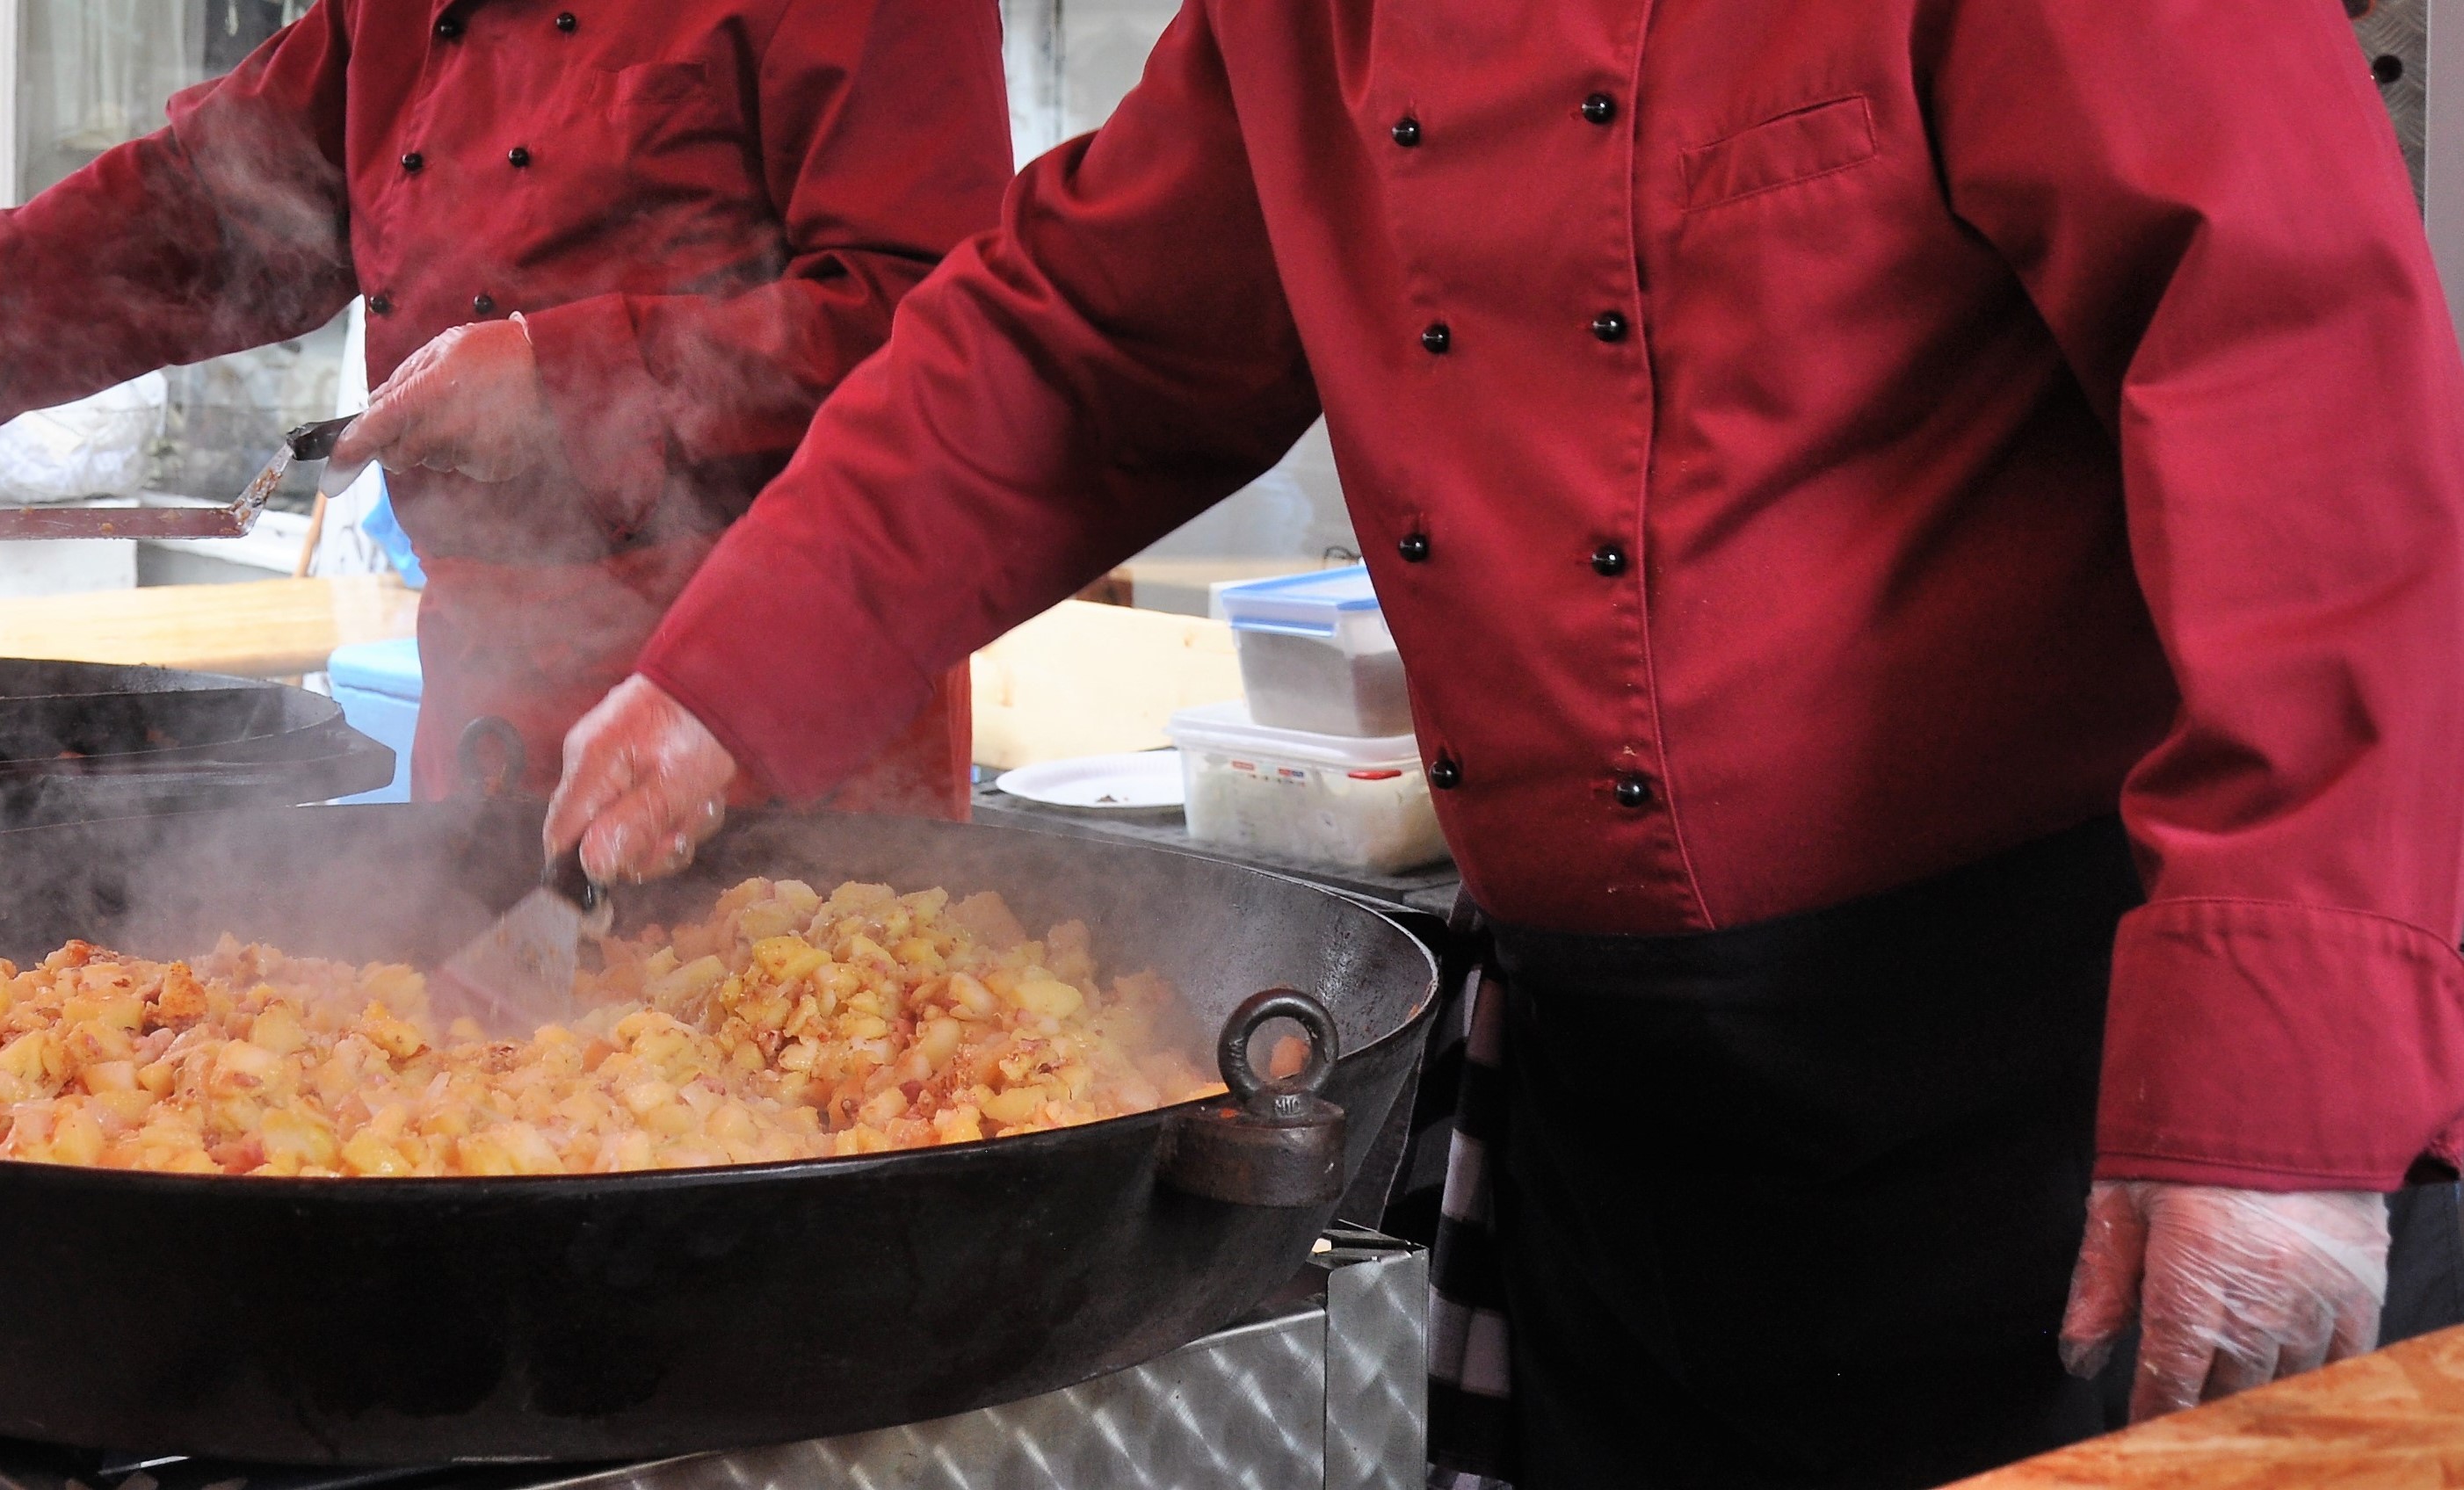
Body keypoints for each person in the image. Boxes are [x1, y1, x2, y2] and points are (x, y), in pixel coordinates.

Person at [543, 0, 2464, 1483]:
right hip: (1638, 1120)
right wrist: (728, 678)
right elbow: (1084, 344)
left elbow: (2298, 392)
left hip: (2057, 1088)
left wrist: (2279, 1105)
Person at [0, 0, 1004, 808]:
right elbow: (216, 206)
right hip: (487, 707)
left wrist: (563, 378)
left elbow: (942, 325)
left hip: (784, 729)